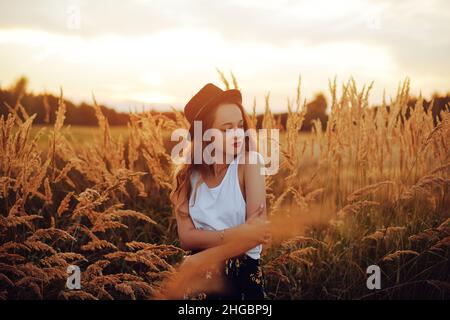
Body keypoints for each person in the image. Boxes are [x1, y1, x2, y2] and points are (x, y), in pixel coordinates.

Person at [169, 83, 271, 300]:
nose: (237, 134)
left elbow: (256, 236)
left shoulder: (249, 164)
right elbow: (186, 238)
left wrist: (200, 258)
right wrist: (239, 232)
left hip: (241, 278)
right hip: (198, 282)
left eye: (240, 126)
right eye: (226, 129)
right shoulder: (185, 176)